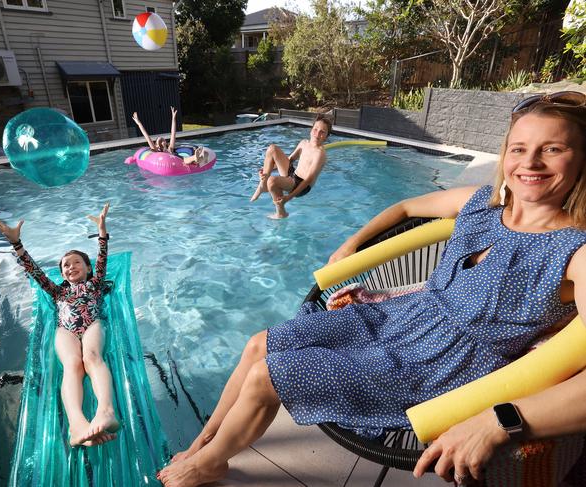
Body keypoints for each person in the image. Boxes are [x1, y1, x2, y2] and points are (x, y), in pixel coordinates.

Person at [156, 91, 586, 487]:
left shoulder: (576, 252)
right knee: (259, 345)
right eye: (519, 148)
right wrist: (352, 242)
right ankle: (204, 443)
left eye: (552, 149)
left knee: (268, 375)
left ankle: (212, 462)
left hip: (437, 364)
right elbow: (405, 207)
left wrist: (501, 420)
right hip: (401, 317)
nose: (530, 163)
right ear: (505, 155)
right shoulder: (484, 202)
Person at [0, 203, 120, 447]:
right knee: (72, 365)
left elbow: (103, 258)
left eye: (76, 262)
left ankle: (106, 411)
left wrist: (102, 233)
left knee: (91, 357)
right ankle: (77, 425)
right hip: (66, 330)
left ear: (88, 268)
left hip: (93, 325)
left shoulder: (96, 283)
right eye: (65, 266)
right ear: (62, 274)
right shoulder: (57, 292)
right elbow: (35, 271)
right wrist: (17, 244)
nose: (70, 267)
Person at [250, 114, 331, 219]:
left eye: (322, 132)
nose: (317, 134)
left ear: (326, 137)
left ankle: (281, 212)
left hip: (302, 185)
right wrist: (267, 168)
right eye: (315, 129)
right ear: (311, 130)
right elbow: (290, 160)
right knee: (272, 149)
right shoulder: (303, 143)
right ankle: (262, 184)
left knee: (272, 181)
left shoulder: (320, 154)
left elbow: (308, 180)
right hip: (293, 175)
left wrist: (288, 198)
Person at [132, 108, 208, 166]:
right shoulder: (155, 150)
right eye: (159, 141)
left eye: (163, 140)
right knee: (186, 160)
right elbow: (146, 136)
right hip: (171, 161)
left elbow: (173, 133)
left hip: (178, 158)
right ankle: (198, 158)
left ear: (166, 142)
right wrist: (138, 123)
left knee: (186, 159)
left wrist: (173, 117)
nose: (161, 141)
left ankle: (198, 158)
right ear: (156, 145)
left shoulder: (170, 148)